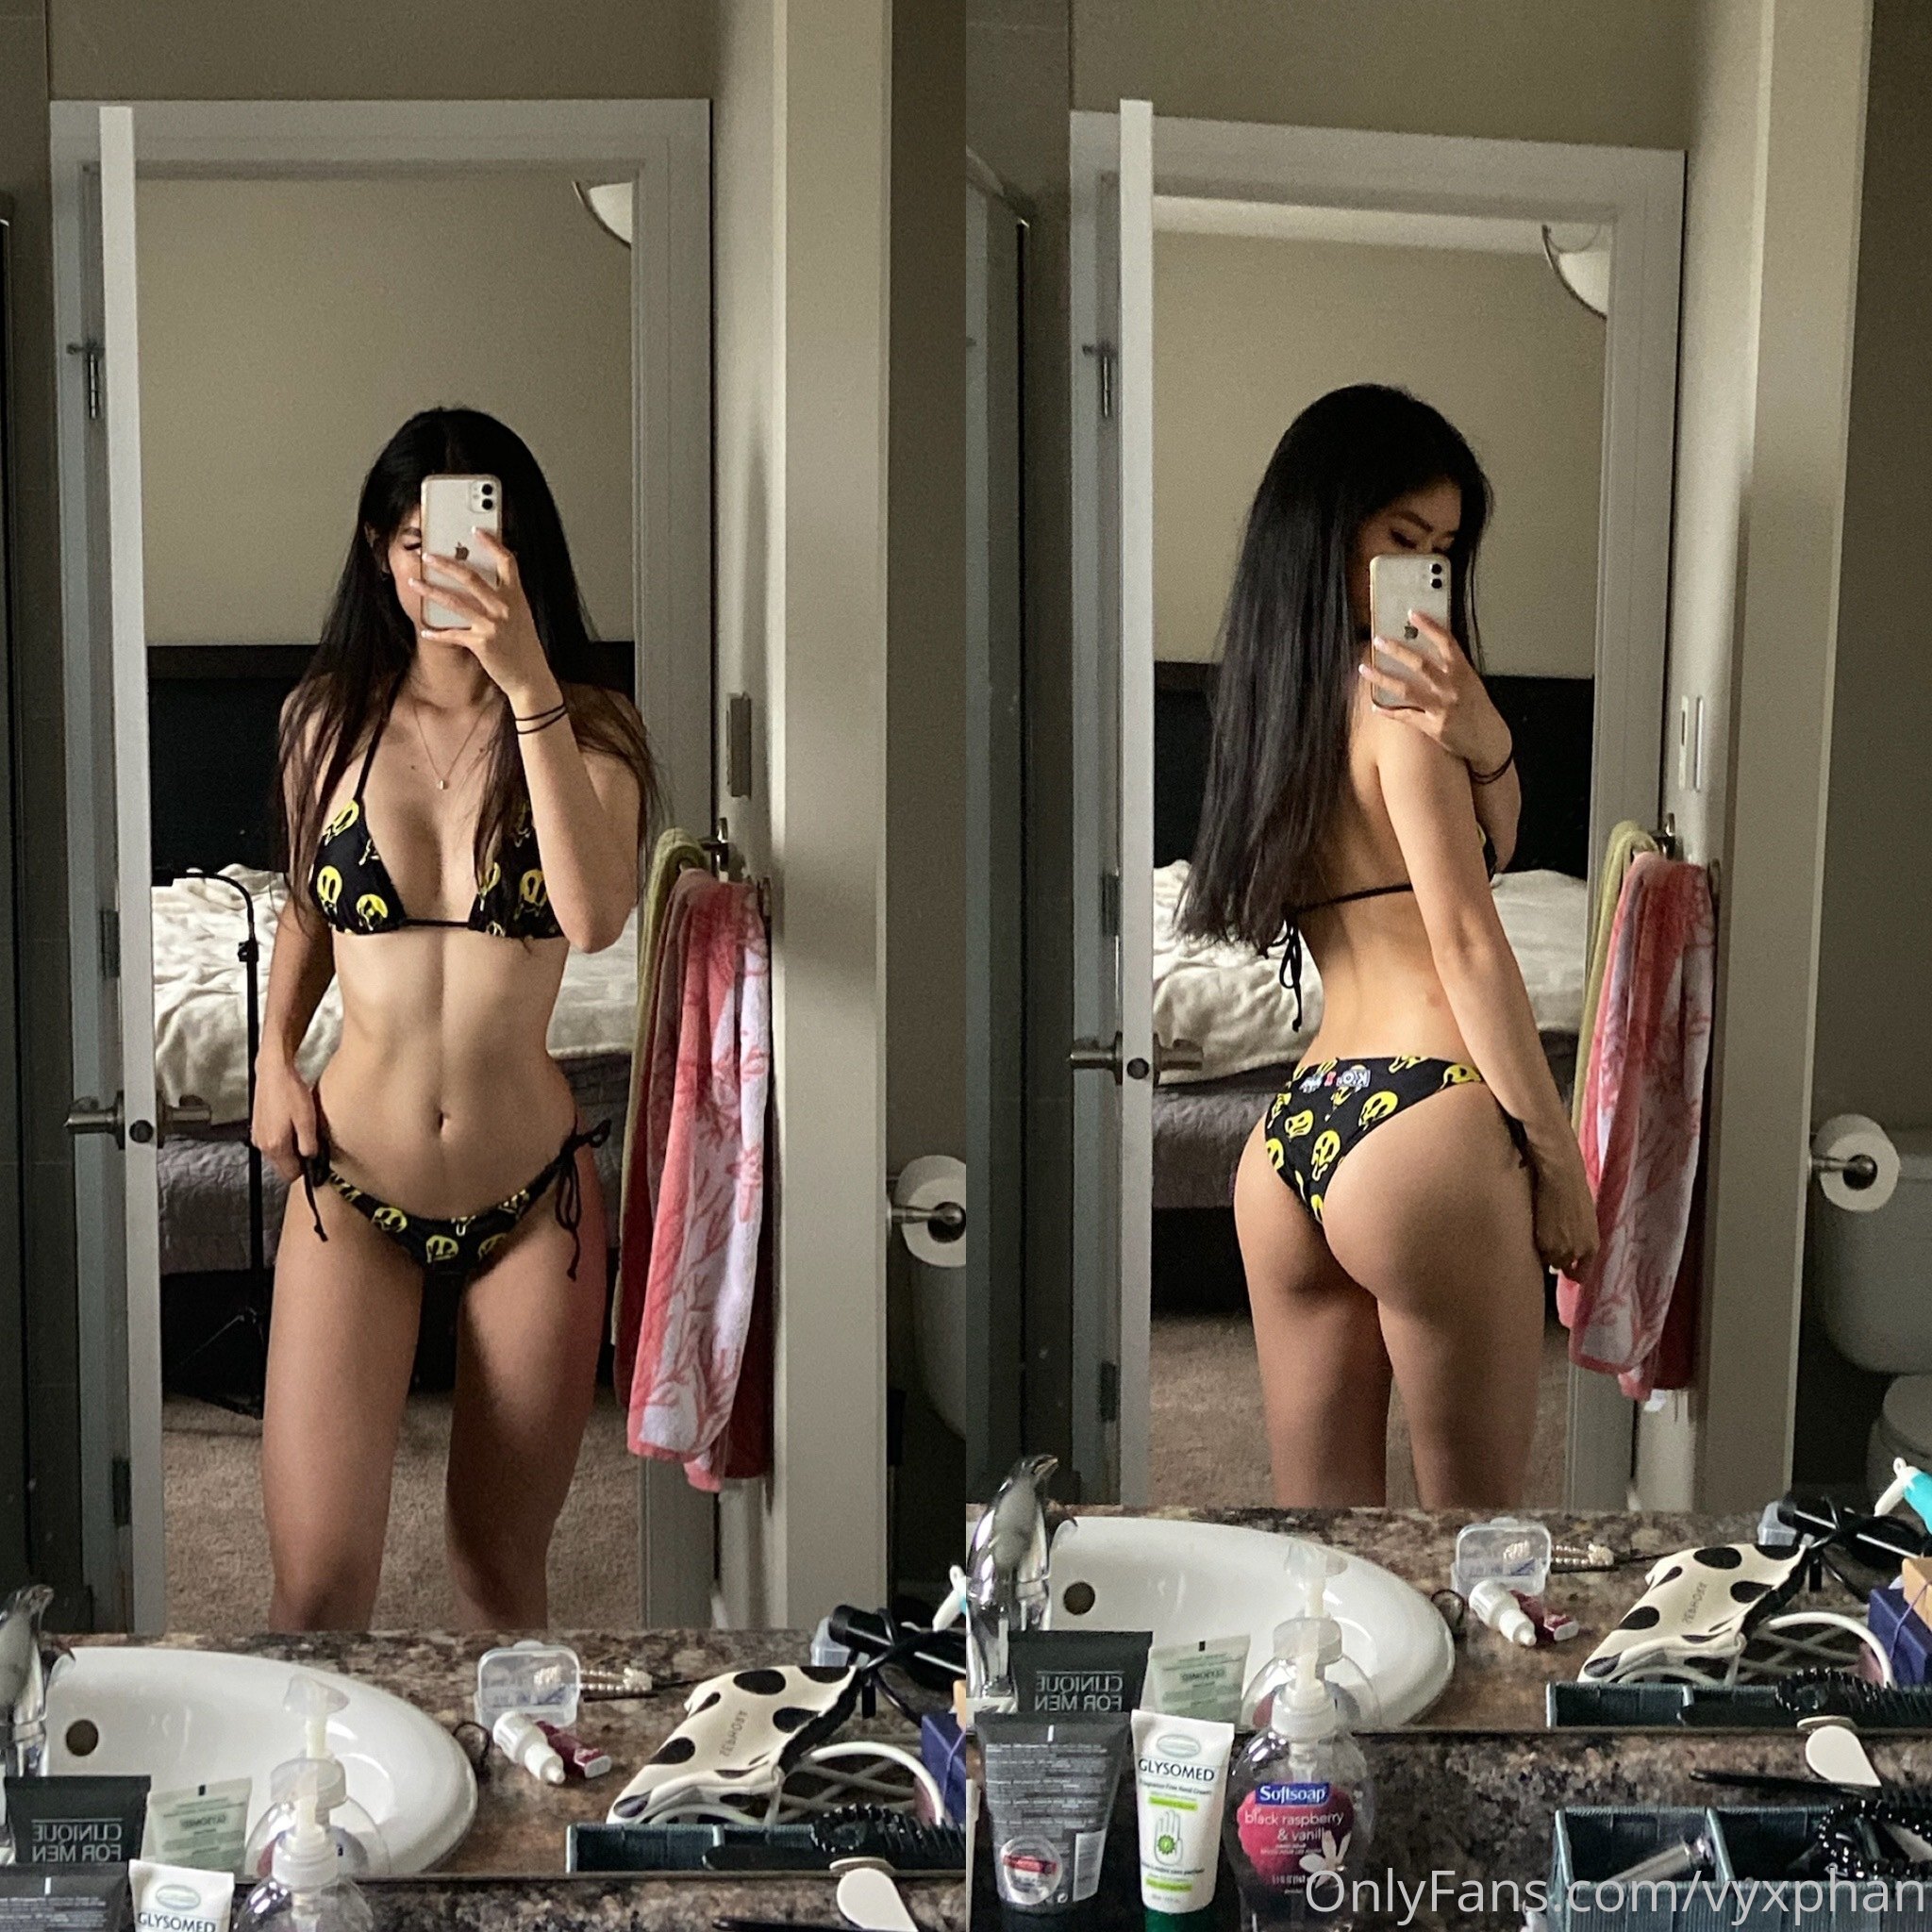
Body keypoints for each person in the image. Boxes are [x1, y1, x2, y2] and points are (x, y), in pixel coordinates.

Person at [252, 408, 654, 1627]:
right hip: (352, 1180)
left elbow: (593, 916)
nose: (446, 569)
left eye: (476, 540)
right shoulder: (323, 720)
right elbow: (310, 909)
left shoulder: (592, 728)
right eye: (418, 542)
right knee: (317, 1590)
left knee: (497, 1572)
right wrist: (272, 1057)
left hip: (532, 1199)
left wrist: (527, 683)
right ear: (382, 551)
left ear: (520, 553)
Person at [1180, 384, 1598, 1508]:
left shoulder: (1273, 712)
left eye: (1443, 551)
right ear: (1326, 533)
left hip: (1294, 1136)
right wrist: (1556, 1161)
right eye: (1400, 538)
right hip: (1425, 1122)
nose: (1425, 570)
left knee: (1322, 1547)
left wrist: (1488, 737)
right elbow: (1465, 939)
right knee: (1478, 1541)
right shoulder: (1400, 711)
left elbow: (1493, 837)